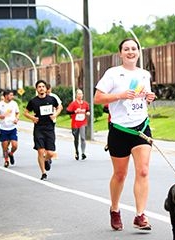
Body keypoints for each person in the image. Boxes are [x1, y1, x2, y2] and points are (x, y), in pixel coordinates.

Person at [94, 38, 156, 231]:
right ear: (120, 53)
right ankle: (114, 209)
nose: (130, 52)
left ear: (138, 52)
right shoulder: (112, 74)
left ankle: (140, 215)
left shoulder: (144, 74)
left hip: (141, 128)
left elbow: (142, 99)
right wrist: (120, 95)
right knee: (120, 174)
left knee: (144, 171)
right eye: (126, 49)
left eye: (134, 49)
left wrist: (149, 98)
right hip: (120, 130)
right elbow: (97, 98)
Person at [24, 80, 61, 180]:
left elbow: (59, 107)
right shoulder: (33, 101)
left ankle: (46, 159)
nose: (41, 88)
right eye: (39, 87)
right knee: (40, 151)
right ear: (36, 89)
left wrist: (55, 115)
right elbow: (25, 113)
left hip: (49, 128)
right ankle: (43, 173)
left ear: (46, 88)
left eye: (43, 86)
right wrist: (32, 118)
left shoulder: (52, 99)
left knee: (50, 152)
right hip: (39, 128)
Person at [0, 90, 20, 168]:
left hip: (12, 127)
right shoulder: (0, 105)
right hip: (3, 128)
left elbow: (17, 113)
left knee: (15, 145)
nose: (12, 97)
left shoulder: (14, 104)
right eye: (11, 95)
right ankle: (6, 160)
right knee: (5, 146)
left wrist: (17, 119)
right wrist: (1, 116)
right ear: (6, 96)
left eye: (12, 95)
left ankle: (11, 154)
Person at [66, 89, 90, 160]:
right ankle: (76, 151)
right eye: (79, 94)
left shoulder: (85, 104)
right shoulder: (73, 104)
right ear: (76, 95)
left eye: (81, 94)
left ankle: (83, 153)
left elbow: (87, 110)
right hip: (75, 124)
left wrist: (88, 112)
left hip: (83, 123)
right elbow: (68, 111)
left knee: (83, 138)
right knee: (76, 138)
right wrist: (74, 111)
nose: (80, 95)